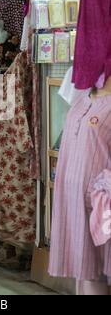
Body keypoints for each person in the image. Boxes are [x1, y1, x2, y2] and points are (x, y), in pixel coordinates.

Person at [49, 76, 111, 295]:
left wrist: (101, 190)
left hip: (101, 204)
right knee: (83, 270)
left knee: (97, 272)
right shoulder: (83, 96)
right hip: (72, 198)